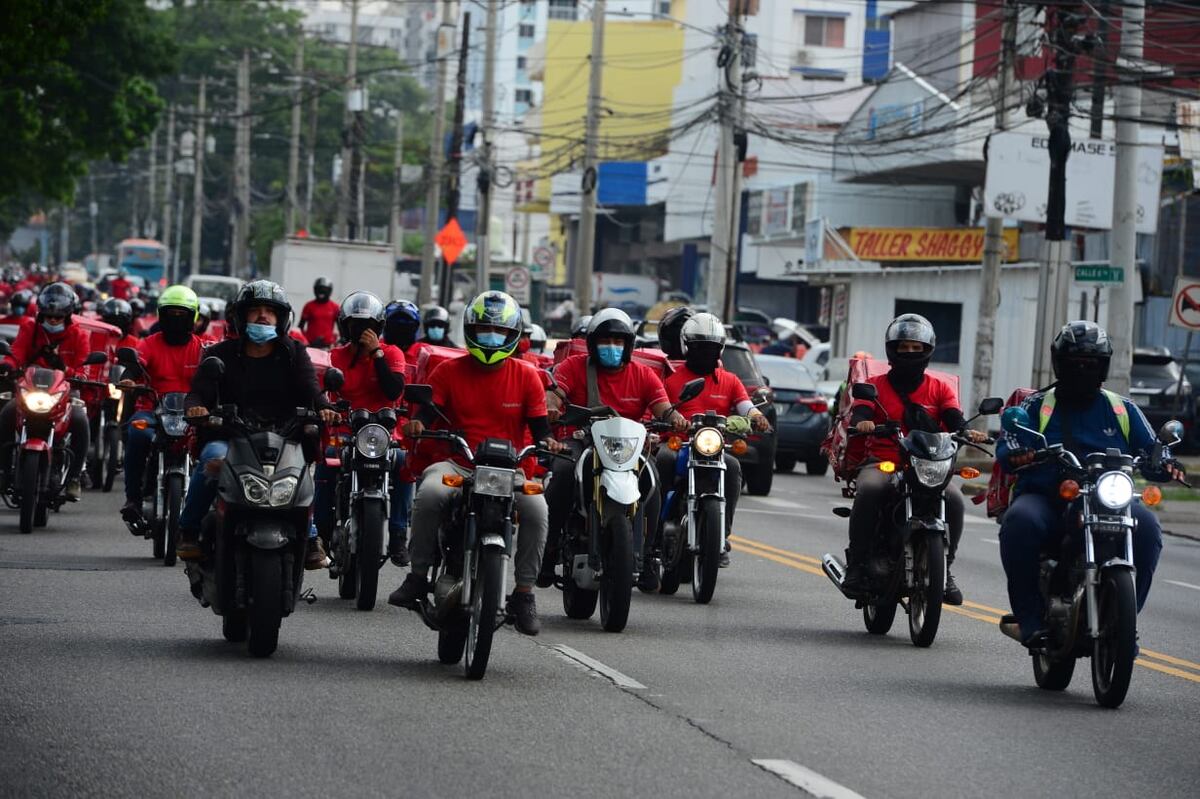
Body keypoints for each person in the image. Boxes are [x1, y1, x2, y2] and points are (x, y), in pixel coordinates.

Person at [995, 321, 1183, 646]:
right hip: (1049, 498)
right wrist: (1020, 453)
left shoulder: (1122, 409)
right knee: (1019, 521)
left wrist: (1165, 462)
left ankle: (1123, 624)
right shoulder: (1037, 405)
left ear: (1104, 366)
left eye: (1091, 363)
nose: (1083, 369)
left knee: (1149, 527)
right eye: (1075, 362)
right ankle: (1029, 619)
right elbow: (1009, 443)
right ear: (1060, 363)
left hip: (1107, 497)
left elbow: (1152, 447)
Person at [387, 291, 559, 636]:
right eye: (483, 330)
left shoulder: (528, 376)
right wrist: (418, 424)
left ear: (513, 335)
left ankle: (524, 593)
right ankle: (418, 576)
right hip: (459, 462)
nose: (490, 338)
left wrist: (549, 442)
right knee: (430, 495)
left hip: (510, 468)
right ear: (469, 330)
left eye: (497, 332)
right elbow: (423, 413)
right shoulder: (447, 370)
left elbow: (541, 430)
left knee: (538, 509)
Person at [177, 280, 339, 566]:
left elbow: (311, 389)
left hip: (283, 437)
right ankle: (188, 531)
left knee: (302, 468)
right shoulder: (218, 355)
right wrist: (196, 408)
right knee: (212, 459)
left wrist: (325, 407)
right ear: (241, 317)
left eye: (270, 311)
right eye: (255, 311)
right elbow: (197, 394)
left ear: (281, 318)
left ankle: (310, 535)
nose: (263, 316)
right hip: (231, 435)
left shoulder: (294, 353)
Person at [843, 313, 986, 604]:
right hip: (885, 461)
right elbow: (861, 412)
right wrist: (864, 422)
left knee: (955, 500)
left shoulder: (939, 388)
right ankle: (857, 565)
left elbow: (953, 417)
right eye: (904, 347)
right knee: (870, 489)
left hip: (927, 465)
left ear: (928, 350)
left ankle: (944, 569)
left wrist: (967, 432)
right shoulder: (875, 385)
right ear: (891, 349)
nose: (910, 353)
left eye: (916, 348)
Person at [541, 308, 686, 590]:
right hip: (581, 439)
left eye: (618, 342)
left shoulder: (643, 374)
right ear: (593, 344)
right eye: (605, 341)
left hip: (628, 448)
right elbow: (555, 392)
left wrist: (676, 419)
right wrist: (551, 406)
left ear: (628, 345)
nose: (612, 347)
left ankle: (647, 556)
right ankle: (548, 550)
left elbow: (663, 407)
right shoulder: (573, 366)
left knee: (652, 481)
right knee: (564, 470)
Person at [659, 313, 770, 573]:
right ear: (687, 346)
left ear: (719, 349)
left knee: (732, 467)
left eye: (711, 347)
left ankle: (721, 538)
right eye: (700, 347)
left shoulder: (730, 380)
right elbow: (658, 408)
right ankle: (653, 529)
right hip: (679, 444)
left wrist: (757, 417)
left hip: (714, 449)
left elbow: (746, 407)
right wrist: (670, 422)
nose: (706, 353)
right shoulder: (671, 378)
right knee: (662, 460)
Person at [318, 291, 410, 565]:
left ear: (379, 327)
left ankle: (397, 534)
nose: (362, 331)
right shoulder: (334, 356)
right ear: (345, 327)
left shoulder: (392, 354)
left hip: (383, 436)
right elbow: (321, 392)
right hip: (344, 432)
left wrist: (376, 354)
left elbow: (393, 390)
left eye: (368, 326)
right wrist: (327, 410)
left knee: (405, 463)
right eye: (356, 325)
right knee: (325, 466)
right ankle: (319, 537)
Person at [119, 286, 206, 529]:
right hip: (153, 411)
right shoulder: (148, 343)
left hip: (192, 415)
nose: (176, 320)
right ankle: (133, 499)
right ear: (160, 315)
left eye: (182, 314)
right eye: (171, 314)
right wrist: (128, 378)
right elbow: (137, 364)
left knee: (215, 447)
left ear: (194, 317)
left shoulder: (203, 348)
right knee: (137, 433)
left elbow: (216, 372)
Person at [0, 283, 92, 500]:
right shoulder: (29, 328)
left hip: (65, 393)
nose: (52, 320)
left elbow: (83, 368)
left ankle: (75, 477)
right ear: (41, 314)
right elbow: (17, 352)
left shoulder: (79, 335)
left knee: (80, 420)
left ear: (68, 316)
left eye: (58, 317)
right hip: (29, 392)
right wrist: (8, 365)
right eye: (49, 316)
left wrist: (72, 372)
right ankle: (4, 470)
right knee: (5, 414)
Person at [299, 277, 338, 348]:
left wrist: (339, 341)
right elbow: (300, 326)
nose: (321, 292)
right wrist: (305, 341)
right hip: (311, 344)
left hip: (328, 346)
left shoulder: (335, 307)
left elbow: (341, 327)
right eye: (319, 289)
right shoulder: (309, 306)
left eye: (324, 290)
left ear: (329, 291)